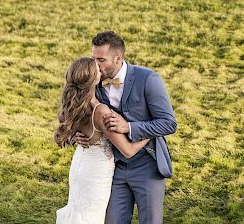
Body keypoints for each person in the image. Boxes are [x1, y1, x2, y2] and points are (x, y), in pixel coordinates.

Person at [75, 31, 177, 224]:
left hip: (147, 164)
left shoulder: (148, 79)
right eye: (93, 58)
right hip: (113, 167)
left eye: (101, 60)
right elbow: (77, 109)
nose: (95, 65)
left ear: (118, 58)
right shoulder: (94, 80)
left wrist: (128, 127)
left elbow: (168, 123)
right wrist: (77, 136)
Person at [54, 57, 150, 224]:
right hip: (96, 173)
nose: (101, 70)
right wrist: (150, 132)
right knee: (91, 216)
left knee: (79, 210)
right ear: (94, 78)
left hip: (80, 165)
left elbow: (72, 131)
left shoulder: (77, 104)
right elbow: (127, 150)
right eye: (97, 69)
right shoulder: (100, 111)